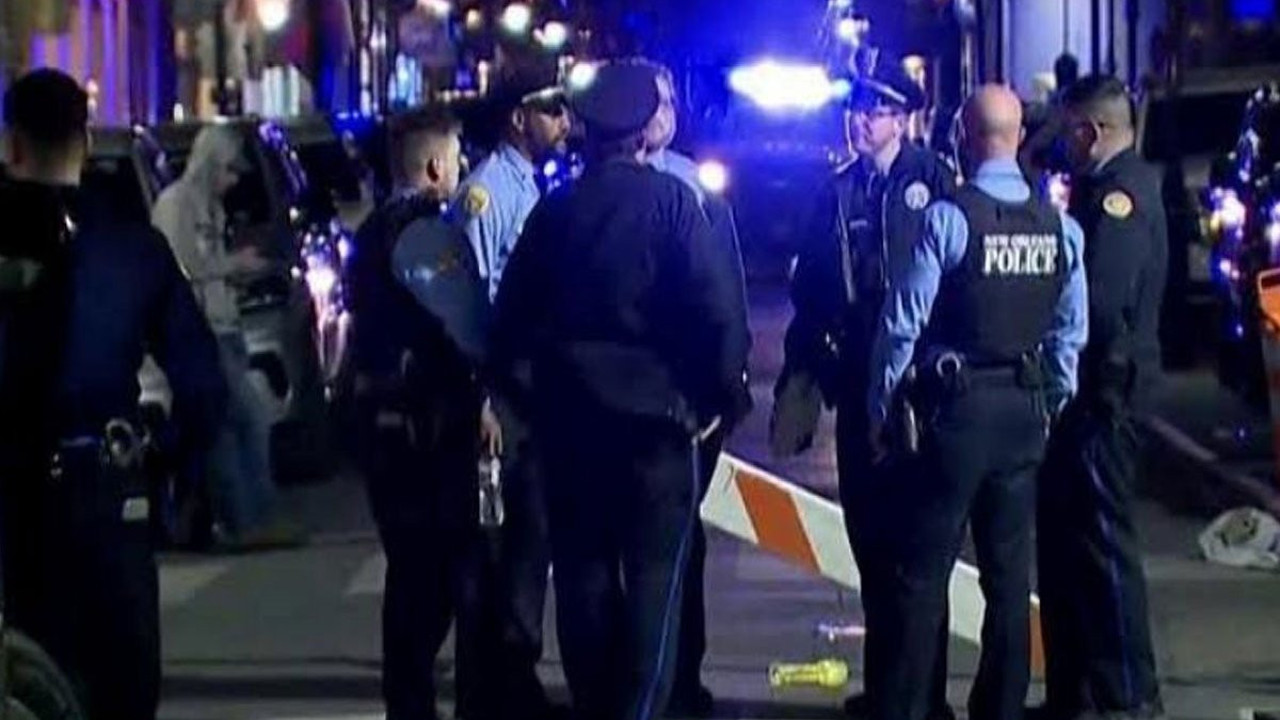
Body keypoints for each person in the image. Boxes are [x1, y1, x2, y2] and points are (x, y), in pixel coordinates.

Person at [489, 60, 751, 720]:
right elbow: (719, 314)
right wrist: (716, 403)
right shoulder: (674, 206)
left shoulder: (554, 213)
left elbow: (511, 326)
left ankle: (595, 704)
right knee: (656, 591)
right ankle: (640, 708)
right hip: (658, 430)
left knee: (584, 581)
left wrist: (532, 404)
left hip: (572, 429)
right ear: (641, 132)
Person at [0, 68, 226, 720]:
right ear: (87, 141)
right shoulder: (131, 246)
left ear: (13, 144)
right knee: (122, 686)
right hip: (109, 492)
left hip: (17, 501)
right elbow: (203, 386)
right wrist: (167, 461)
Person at [866, 84, 1087, 720]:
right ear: (1018, 138)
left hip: (955, 415)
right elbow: (1070, 333)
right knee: (1010, 582)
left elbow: (902, 324)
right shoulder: (1059, 226)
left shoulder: (949, 218)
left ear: (963, 137)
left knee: (921, 577)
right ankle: (1000, 709)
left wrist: (883, 405)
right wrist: (1051, 400)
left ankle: (907, 708)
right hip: (1023, 411)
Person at [771, 56, 956, 720]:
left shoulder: (933, 181)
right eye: (854, 111)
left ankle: (922, 698)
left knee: (918, 554)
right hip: (856, 384)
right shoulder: (839, 190)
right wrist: (799, 377)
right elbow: (812, 290)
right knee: (871, 543)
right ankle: (886, 689)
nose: (859, 122)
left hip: (918, 391)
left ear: (901, 120)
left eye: (874, 112)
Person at [347, 107, 494, 720]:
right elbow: (466, 330)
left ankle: (408, 705)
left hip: (383, 428)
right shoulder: (428, 233)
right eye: (456, 157)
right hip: (431, 433)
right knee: (453, 581)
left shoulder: (369, 233)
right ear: (434, 166)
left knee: (410, 575)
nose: (461, 167)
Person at [1035, 74, 1166, 720]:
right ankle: (1078, 694)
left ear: (1091, 131)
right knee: (1068, 550)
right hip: (1087, 398)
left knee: (1103, 548)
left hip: (1105, 398)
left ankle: (1127, 697)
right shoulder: (1103, 188)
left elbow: (1103, 299)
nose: (1063, 144)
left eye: (1069, 132)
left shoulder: (1121, 197)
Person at [455, 69, 572, 720]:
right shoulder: (486, 193)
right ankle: (500, 684)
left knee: (532, 540)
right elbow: (468, 305)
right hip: (503, 391)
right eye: (550, 110)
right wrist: (482, 399)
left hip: (531, 387)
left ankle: (514, 672)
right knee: (508, 546)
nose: (563, 121)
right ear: (518, 119)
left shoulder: (530, 184)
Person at [640, 57, 751, 718]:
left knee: (683, 541)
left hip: (684, 399)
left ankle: (682, 676)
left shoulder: (695, 188)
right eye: (646, 104)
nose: (657, 117)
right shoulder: (594, 187)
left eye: (665, 104)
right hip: (624, 395)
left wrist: (726, 388)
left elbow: (727, 294)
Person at [151, 124, 302, 551]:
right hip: (202, 332)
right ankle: (247, 519)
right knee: (245, 418)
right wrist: (233, 265)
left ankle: (248, 517)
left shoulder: (212, 208)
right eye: (229, 171)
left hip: (225, 325)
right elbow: (181, 268)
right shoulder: (176, 205)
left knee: (234, 425)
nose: (233, 181)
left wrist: (233, 270)